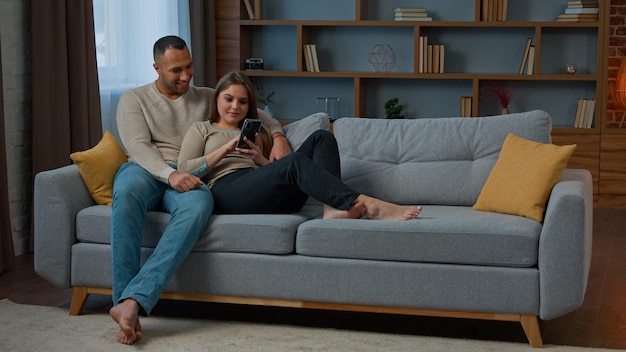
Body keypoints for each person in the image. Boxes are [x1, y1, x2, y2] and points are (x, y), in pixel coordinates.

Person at [109, 36, 290, 345]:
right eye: (176, 70)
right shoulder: (134, 98)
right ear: (157, 68)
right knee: (125, 196)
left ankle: (133, 301)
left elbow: (259, 113)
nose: (185, 76)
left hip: (191, 173)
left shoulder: (206, 97)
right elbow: (138, 147)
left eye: (189, 66)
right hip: (146, 170)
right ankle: (124, 302)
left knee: (198, 205)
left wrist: (279, 135)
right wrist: (170, 174)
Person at [177, 71, 422, 220]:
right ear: (217, 97)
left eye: (242, 102)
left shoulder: (255, 130)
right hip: (226, 194)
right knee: (294, 162)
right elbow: (183, 168)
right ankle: (368, 203)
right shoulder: (202, 128)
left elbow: (273, 172)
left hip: (262, 190)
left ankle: (332, 209)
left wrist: (258, 159)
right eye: (228, 99)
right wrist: (225, 150)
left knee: (321, 137)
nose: (235, 107)